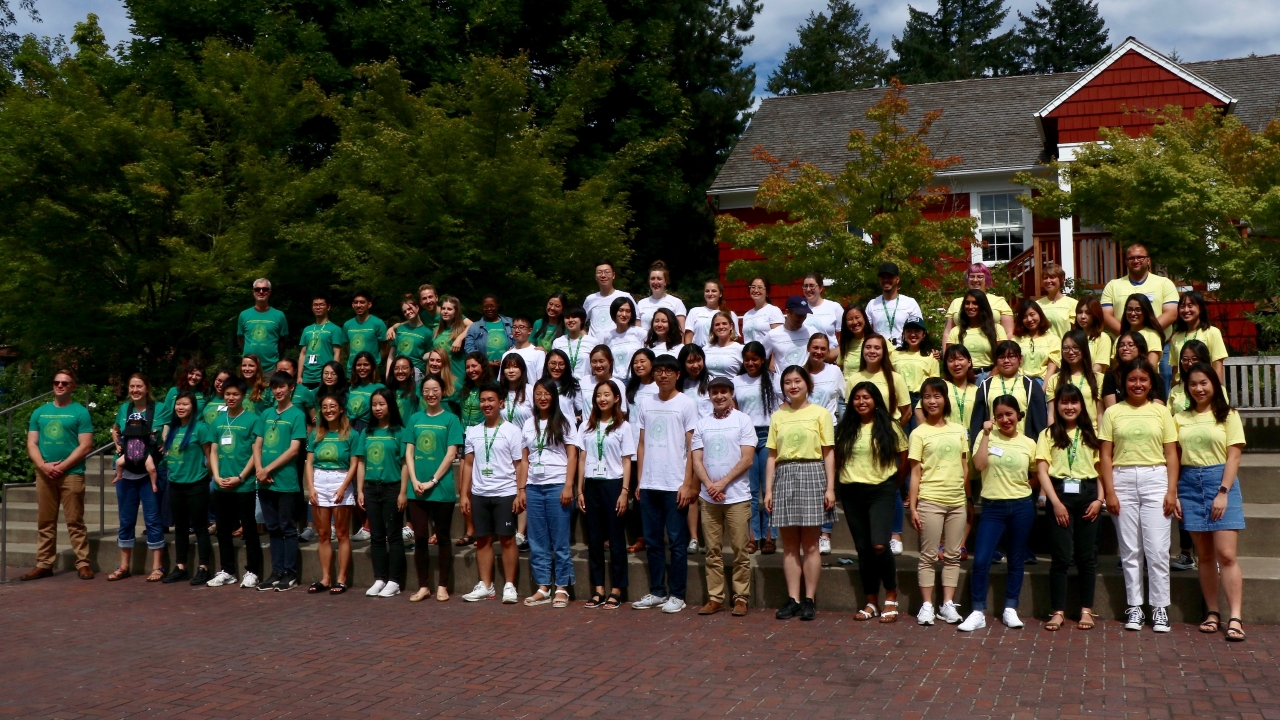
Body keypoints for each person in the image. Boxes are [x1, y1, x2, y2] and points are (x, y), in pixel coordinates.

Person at [1099, 359, 1180, 633]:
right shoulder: (1113, 412)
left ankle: (1159, 607)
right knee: (1130, 550)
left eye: (1143, 380)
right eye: (1132, 380)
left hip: (1156, 479)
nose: (1137, 384)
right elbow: (1106, 454)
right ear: (1124, 383)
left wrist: (1172, 490)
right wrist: (1109, 491)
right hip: (1122, 479)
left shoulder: (1161, 412)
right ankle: (1134, 607)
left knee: (1157, 549)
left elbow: (1171, 453)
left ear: (1151, 383)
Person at [1175, 363, 1247, 641]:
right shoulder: (1179, 418)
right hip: (1190, 483)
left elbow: (1235, 456)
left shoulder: (1228, 415)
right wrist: (1176, 493)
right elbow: (1175, 457)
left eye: (1204, 383)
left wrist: (1223, 492)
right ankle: (1212, 612)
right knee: (1203, 556)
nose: (1198, 389)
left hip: (1221, 481)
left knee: (1226, 555)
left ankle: (1236, 617)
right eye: (1193, 384)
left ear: (1214, 385)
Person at [958, 395, 1038, 631]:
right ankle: (977, 611)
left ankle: (1010, 607)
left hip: (1021, 506)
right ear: (994, 417)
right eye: (1000, 415)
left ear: (1018, 415)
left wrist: (1023, 487)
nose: (1005, 419)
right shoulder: (986, 438)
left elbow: (1036, 473)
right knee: (982, 559)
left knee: (1015, 559)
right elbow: (979, 465)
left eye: (1009, 414)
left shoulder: (1028, 443)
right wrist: (984, 434)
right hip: (993, 507)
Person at [765, 365, 836, 621]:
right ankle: (793, 598)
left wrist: (830, 487)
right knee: (790, 546)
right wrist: (768, 489)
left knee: (811, 545)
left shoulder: (821, 414)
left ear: (807, 384)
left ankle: (809, 599)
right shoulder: (778, 416)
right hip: (784, 476)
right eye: (787, 382)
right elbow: (772, 455)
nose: (793, 386)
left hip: (812, 473)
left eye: (797, 381)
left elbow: (828, 452)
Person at [631, 354, 699, 613]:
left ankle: (677, 594)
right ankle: (658, 591)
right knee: (653, 540)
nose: (662, 375)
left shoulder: (686, 404)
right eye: (658, 371)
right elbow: (641, 443)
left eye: (668, 371)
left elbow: (692, 446)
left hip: (674, 483)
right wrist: (640, 481)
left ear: (677, 374)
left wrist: (687, 483)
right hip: (649, 483)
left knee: (676, 541)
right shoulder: (646, 403)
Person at [836, 383, 909, 623]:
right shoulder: (846, 427)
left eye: (866, 397)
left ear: (875, 400)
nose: (861, 402)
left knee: (879, 544)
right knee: (863, 550)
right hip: (851, 492)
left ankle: (891, 594)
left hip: (881, 491)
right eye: (856, 398)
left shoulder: (890, 426)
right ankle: (870, 602)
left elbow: (904, 458)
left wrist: (892, 484)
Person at [1036, 382, 1104, 631]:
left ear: (1081, 405)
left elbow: (1101, 472)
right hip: (1059, 494)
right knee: (1061, 557)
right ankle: (1058, 611)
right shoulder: (1048, 434)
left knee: (1087, 557)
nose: (1069, 406)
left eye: (1074, 402)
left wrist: (1099, 500)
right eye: (1064, 402)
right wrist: (1054, 502)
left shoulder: (1090, 434)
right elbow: (1042, 469)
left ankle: (1086, 610)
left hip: (1088, 494)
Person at [691, 376, 756, 617]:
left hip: (736, 496)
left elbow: (747, 458)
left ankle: (741, 597)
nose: (719, 396)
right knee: (712, 551)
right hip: (709, 498)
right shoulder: (702, 423)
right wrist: (709, 485)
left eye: (723, 392)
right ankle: (715, 597)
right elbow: (696, 460)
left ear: (731, 394)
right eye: (714, 392)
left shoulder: (743, 420)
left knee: (740, 549)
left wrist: (722, 483)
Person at [21, 371, 95, 581]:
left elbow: (85, 446)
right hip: (45, 475)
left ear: (73, 387)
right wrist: (44, 466)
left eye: (65, 383)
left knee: (75, 521)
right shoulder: (40, 412)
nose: (60, 385)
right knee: (45, 521)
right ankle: (44, 564)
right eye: (56, 382)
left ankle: (83, 563)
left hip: (72, 474)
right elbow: (31, 443)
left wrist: (61, 466)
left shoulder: (80, 412)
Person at [908, 378, 969, 626]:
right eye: (927, 396)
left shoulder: (958, 430)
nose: (932, 401)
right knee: (928, 556)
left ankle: (947, 605)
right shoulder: (918, 433)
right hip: (930, 499)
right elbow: (915, 472)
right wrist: (913, 506)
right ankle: (927, 605)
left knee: (953, 555)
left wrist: (966, 497)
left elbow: (965, 466)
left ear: (945, 399)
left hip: (957, 501)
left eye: (937, 396)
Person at [459, 384, 527, 604]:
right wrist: (464, 494)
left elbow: (520, 465)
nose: (486, 404)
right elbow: (468, 465)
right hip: (480, 493)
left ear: (501, 403)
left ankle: (509, 585)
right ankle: (486, 586)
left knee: (507, 540)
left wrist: (520, 492)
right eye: (483, 400)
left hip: (505, 492)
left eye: (491, 400)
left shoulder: (512, 431)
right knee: (482, 540)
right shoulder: (473, 431)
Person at [575, 380, 635, 609]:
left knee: (617, 539)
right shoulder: (586, 426)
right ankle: (598, 588)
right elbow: (582, 458)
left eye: (607, 394)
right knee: (594, 540)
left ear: (616, 398)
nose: (602, 399)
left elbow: (627, 461)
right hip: (592, 485)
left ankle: (617, 589)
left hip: (613, 485)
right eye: (599, 395)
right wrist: (579, 489)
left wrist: (624, 491)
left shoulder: (623, 427)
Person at [405, 375, 463, 602]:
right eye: (427, 390)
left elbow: (451, 454)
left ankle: (443, 585)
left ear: (442, 391)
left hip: (441, 488)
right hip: (416, 488)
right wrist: (414, 479)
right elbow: (409, 452)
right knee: (419, 537)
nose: (431, 394)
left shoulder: (451, 419)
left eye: (435, 389)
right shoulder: (415, 419)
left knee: (443, 537)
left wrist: (433, 480)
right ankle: (423, 586)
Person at [521, 379, 579, 608]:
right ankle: (543, 586)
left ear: (554, 396)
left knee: (560, 541)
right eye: (538, 394)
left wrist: (568, 486)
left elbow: (572, 456)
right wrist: (522, 489)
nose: (542, 397)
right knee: (537, 540)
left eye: (546, 393)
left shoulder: (564, 423)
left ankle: (562, 587)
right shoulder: (528, 424)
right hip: (534, 487)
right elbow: (525, 460)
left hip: (557, 486)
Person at [204, 377, 265, 589]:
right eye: (228, 394)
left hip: (244, 484)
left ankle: (253, 571)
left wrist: (241, 477)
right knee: (222, 529)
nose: (231, 397)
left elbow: (254, 452)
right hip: (221, 483)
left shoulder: (252, 419)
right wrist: (216, 476)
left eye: (235, 394)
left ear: (243, 396)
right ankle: (227, 570)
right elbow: (213, 450)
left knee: (248, 529)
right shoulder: (218, 421)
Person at [253, 371, 308, 591]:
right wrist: (259, 469)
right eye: (274, 387)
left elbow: (294, 449)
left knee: (287, 527)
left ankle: (290, 573)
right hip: (264, 481)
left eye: (282, 387)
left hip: (285, 481)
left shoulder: (297, 415)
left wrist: (268, 468)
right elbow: (257, 444)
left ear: (291, 388)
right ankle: (276, 571)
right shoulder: (266, 414)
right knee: (272, 528)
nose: (277, 391)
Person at [305, 395, 364, 594]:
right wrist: (311, 487)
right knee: (322, 534)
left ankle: (341, 578)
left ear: (340, 409)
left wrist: (343, 487)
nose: (329, 410)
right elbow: (309, 462)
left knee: (341, 533)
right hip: (319, 481)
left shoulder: (351, 434)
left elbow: (355, 463)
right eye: (325, 407)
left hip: (341, 480)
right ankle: (326, 577)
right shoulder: (316, 434)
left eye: (333, 406)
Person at [107, 374, 164, 582]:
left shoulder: (159, 408)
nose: (135, 390)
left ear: (147, 388)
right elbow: (115, 429)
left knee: (152, 519)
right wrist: (116, 443)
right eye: (132, 386)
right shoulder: (125, 409)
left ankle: (158, 566)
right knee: (126, 519)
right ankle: (124, 566)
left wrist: (164, 442)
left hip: (148, 467)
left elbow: (169, 427)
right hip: (127, 470)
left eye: (139, 386)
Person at [359, 388, 409, 598]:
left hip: (392, 488)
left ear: (390, 405)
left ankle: (394, 581)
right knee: (376, 536)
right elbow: (361, 462)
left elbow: (406, 463)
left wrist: (403, 492)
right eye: (374, 405)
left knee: (394, 536)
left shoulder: (399, 431)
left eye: (382, 404)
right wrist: (360, 490)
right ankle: (379, 578)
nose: (377, 408)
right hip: (371, 488)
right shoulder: (366, 432)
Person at [160, 391, 213, 585]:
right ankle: (180, 566)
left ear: (193, 408)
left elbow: (209, 456)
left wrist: (207, 477)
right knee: (180, 528)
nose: (181, 408)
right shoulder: (173, 429)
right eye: (178, 404)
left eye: (185, 404)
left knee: (200, 528)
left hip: (196, 484)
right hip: (175, 485)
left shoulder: (200, 428)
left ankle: (203, 567)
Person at [736, 343, 779, 556]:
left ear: (763, 359)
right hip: (746, 437)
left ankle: (770, 536)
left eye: (755, 359)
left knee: (769, 489)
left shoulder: (774, 379)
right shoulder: (737, 381)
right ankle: (753, 537)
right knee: (750, 491)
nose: (751, 363)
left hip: (770, 435)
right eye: (747, 359)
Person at [970, 341, 1049, 441]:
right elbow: (977, 421)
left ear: (1020, 359)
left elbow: (1040, 423)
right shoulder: (986, 385)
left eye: (1011, 356)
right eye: (1002, 357)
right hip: (993, 445)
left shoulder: (1030, 385)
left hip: (1023, 446)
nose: (1006, 361)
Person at [1100, 243, 1180, 335]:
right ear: (1126, 262)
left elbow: (1171, 314)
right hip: (1124, 346)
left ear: (1148, 260)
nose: (1136, 260)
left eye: (1140, 257)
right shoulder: (1112, 286)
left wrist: (1147, 336)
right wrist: (1129, 337)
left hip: (1159, 345)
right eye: (1131, 258)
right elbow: (1105, 316)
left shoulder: (1164, 283)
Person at [944, 290, 1007, 379]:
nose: (970, 307)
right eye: (967, 303)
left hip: (991, 376)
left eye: (975, 303)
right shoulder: (955, 331)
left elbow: (1003, 358)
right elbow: (950, 360)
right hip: (964, 379)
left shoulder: (997, 329)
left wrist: (988, 380)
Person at [943, 264, 1016, 340]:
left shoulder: (999, 302)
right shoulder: (956, 302)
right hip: (960, 349)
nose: (975, 280)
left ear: (986, 279)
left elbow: (1009, 333)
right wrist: (946, 351)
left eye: (980, 276)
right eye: (972, 276)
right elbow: (947, 333)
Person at [1046, 330, 1104, 425]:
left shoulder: (1098, 378)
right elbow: (1051, 415)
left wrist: (1100, 439)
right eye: (1066, 348)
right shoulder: (1054, 380)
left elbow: (1100, 414)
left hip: (1090, 435)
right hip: (1063, 435)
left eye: (1075, 347)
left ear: (1084, 349)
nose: (1071, 352)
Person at [1170, 291, 1228, 384]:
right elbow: (1176, 371)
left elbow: (1217, 367)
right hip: (1182, 390)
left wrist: (1217, 392)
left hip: (1204, 389)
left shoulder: (1212, 332)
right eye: (1182, 306)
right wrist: (1173, 395)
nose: (1186, 310)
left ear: (1200, 308)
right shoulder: (1176, 337)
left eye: (1190, 305)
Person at [866, 262, 924, 348]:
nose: (886, 280)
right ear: (879, 280)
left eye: (890, 277)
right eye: (883, 277)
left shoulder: (910, 303)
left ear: (897, 279)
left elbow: (919, 331)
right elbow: (866, 333)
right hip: (880, 354)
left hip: (904, 352)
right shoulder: (872, 304)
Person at [1102, 332, 1167, 408]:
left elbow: (1158, 409)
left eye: (1130, 345)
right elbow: (1111, 409)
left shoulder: (1155, 377)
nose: (1125, 348)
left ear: (1140, 348)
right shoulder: (1111, 376)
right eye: (1121, 345)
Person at [237, 278, 289, 373]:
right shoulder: (244, 315)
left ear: (269, 292)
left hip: (271, 367)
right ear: (253, 292)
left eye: (265, 289)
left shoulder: (279, 315)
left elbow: (283, 341)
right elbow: (241, 339)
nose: (261, 292)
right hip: (249, 368)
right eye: (257, 289)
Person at [432, 296, 472, 411]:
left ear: (456, 311)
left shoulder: (461, 330)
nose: (445, 311)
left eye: (449, 309)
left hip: (457, 376)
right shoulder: (436, 331)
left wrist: (459, 338)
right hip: (441, 376)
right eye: (443, 308)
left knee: (460, 409)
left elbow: (474, 325)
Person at [298, 295, 345, 390]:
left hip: (324, 376)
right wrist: (299, 375)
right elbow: (303, 353)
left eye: (321, 305)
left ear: (328, 307)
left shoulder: (335, 329)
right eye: (315, 305)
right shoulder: (307, 329)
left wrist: (333, 374)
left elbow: (337, 353)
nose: (318, 307)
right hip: (307, 377)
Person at [896, 320, 939, 413]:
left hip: (920, 400)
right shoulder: (894, 354)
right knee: (899, 428)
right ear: (903, 334)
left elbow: (934, 381)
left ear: (923, 334)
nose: (913, 334)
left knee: (920, 427)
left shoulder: (931, 355)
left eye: (917, 331)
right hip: (899, 400)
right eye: (909, 331)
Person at [386, 294, 431, 382]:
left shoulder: (427, 332)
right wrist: (388, 373)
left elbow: (429, 357)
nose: (408, 312)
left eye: (410, 308)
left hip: (416, 371)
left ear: (417, 307)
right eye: (405, 311)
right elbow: (391, 354)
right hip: (398, 370)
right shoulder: (400, 328)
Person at [766, 296, 817, 372]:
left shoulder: (812, 332)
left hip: (807, 381)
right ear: (787, 312)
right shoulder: (772, 335)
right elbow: (761, 358)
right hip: (782, 382)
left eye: (804, 314)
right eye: (799, 315)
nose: (802, 318)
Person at [156, 361, 209, 435]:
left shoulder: (205, 393)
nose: (194, 377)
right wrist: (165, 434)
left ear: (202, 378)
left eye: (198, 375)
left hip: (196, 433)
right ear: (186, 374)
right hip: (175, 432)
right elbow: (166, 415)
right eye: (191, 373)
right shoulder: (173, 391)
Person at [344, 290, 389, 375]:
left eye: (362, 302)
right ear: (352, 305)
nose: (358, 305)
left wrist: (376, 364)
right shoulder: (347, 325)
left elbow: (386, 349)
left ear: (369, 304)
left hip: (372, 372)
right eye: (356, 302)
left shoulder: (378, 323)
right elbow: (347, 348)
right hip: (352, 372)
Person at [584, 260, 635, 336]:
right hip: (595, 346)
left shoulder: (625, 296)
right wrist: (587, 339)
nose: (603, 275)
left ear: (613, 275)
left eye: (607, 272)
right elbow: (580, 322)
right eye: (599, 272)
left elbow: (636, 321)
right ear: (595, 277)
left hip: (618, 343)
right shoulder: (590, 299)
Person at [1014, 301, 1060, 383]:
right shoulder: (1015, 340)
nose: (1029, 319)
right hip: (1020, 383)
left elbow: (1052, 368)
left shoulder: (1053, 339)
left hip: (1044, 382)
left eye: (1032, 314)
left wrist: (1043, 389)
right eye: (1024, 317)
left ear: (1040, 314)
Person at [636, 260, 687, 333]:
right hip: (646, 344)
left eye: (659, 279)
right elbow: (637, 332)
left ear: (665, 282)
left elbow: (681, 332)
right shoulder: (641, 304)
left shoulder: (676, 302)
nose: (655, 282)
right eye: (652, 278)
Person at [685, 279, 739, 347]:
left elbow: (734, 337)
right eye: (707, 291)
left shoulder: (730, 314)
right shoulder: (694, 311)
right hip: (698, 354)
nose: (710, 294)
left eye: (714, 291)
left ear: (720, 294)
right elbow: (688, 337)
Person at [803, 333, 844, 422]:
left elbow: (845, 397)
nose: (819, 352)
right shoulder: (799, 373)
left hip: (829, 426)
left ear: (828, 352)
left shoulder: (835, 371)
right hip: (806, 426)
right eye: (815, 347)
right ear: (808, 348)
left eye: (823, 349)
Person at [1116, 294, 1165, 368]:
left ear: (1145, 312)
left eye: (1138, 310)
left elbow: (1151, 366)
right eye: (1129, 309)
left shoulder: (1152, 335)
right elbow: (1116, 367)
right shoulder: (1120, 337)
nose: (1133, 313)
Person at [603, 296, 646, 382]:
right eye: (621, 310)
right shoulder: (608, 336)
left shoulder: (640, 333)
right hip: (615, 381)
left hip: (635, 380)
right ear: (614, 312)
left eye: (628, 311)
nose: (624, 314)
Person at [552, 307, 597, 384]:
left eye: (574, 317)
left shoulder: (593, 342)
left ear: (582, 320)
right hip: (563, 385)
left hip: (586, 385)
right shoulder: (558, 342)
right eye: (567, 317)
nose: (570, 320)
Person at [543, 349, 586, 424]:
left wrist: (577, 418)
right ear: (547, 365)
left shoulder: (572, 384)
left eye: (561, 364)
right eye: (553, 363)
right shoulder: (541, 385)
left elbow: (581, 408)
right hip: (546, 428)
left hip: (567, 429)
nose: (557, 367)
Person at [800, 273, 842, 348]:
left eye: (812, 286)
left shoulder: (834, 307)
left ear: (820, 288)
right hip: (806, 357)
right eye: (805, 286)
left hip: (830, 356)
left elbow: (843, 335)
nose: (808, 289)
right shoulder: (800, 309)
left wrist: (835, 353)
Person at [346, 351, 385, 432]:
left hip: (368, 428)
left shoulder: (380, 388)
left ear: (372, 366)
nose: (362, 368)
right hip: (349, 428)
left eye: (366, 365)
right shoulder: (351, 387)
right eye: (359, 365)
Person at [1037, 263, 1077, 339]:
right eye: (1045, 278)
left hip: (1063, 348)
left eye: (1052, 277)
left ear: (1062, 279)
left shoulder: (1073, 304)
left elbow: (1075, 332)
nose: (1048, 281)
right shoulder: (1037, 305)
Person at [741, 276, 783, 346]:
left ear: (767, 292)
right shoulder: (747, 315)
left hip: (766, 355)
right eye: (753, 287)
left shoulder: (773, 310)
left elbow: (779, 338)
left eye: (760, 287)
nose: (756, 290)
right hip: (749, 355)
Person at [502, 314, 546, 381]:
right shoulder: (506, 354)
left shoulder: (538, 353)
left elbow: (541, 380)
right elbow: (501, 379)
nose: (517, 330)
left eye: (521, 327)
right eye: (514, 327)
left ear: (530, 331)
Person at [703, 311, 743, 379]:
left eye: (724, 324)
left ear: (731, 326)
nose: (721, 327)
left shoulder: (740, 349)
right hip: (709, 388)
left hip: (731, 387)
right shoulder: (705, 349)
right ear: (713, 328)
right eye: (717, 324)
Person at [1076, 297, 1111, 374]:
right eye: (1079, 312)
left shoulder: (1103, 338)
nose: (1082, 317)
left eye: (1088, 313)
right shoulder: (1072, 337)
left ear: (1096, 315)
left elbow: (1098, 368)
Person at [678, 344, 714, 419]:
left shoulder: (712, 381)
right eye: (690, 362)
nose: (695, 365)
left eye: (698, 360)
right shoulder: (678, 383)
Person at [387, 356, 420, 421]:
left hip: (409, 429)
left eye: (404, 368)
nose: (400, 371)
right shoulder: (388, 391)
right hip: (392, 429)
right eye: (396, 368)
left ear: (411, 370)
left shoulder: (418, 389)